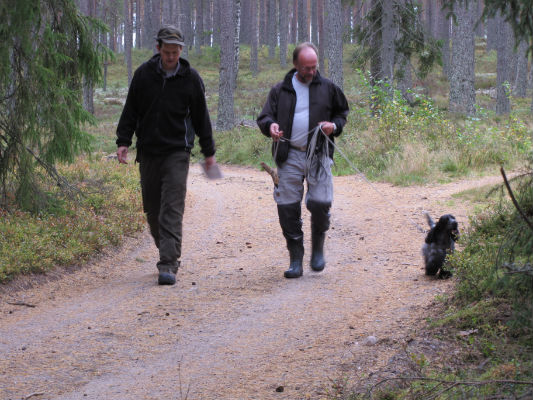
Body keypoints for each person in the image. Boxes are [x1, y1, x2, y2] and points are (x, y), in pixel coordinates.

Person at [116, 25, 217, 285]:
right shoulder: (143, 75)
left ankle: (168, 264)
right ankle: (166, 249)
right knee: (152, 210)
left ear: (181, 51)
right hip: (148, 152)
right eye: (167, 51)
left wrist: (208, 152)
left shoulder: (191, 78)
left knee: (171, 209)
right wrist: (123, 141)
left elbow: (201, 118)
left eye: (175, 52)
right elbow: (130, 110)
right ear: (158, 48)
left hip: (177, 152)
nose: (171, 56)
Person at [257, 42, 349, 279]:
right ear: (296, 65)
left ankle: (318, 248)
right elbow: (264, 117)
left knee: (320, 202)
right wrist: (271, 127)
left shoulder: (328, 88)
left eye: (314, 67)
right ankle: (295, 258)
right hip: (289, 154)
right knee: (287, 206)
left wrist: (334, 126)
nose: (311, 72)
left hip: (319, 154)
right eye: (306, 68)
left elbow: (342, 114)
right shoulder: (280, 90)